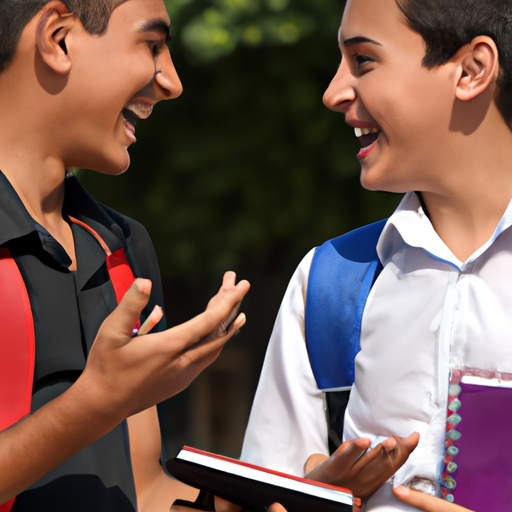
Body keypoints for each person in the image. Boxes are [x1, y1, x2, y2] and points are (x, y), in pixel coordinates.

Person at [241, 0, 512, 510]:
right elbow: (263, 488)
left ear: (472, 70)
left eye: (363, 60)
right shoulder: (328, 282)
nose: (332, 92)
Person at [0, 1, 249, 511]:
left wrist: (291, 499)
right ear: (59, 38)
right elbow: (101, 403)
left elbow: (147, 492)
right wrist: (99, 400)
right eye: (152, 46)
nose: (172, 82)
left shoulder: (120, 246)